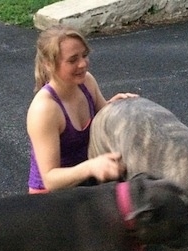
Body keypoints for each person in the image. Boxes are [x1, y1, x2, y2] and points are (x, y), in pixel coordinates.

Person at [27, 25, 138, 194]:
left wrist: (113, 105)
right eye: (72, 60)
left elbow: (102, 117)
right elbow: (50, 180)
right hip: (50, 199)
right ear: (48, 64)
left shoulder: (87, 82)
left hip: (84, 186)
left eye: (84, 55)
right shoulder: (44, 110)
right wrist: (91, 167)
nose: (82, 64)